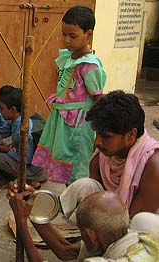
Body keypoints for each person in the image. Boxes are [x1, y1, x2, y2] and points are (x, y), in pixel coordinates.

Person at [58, 90, 159, 226]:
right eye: (97, 134)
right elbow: (96, 206)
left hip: (139, 233)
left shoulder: (153, 166)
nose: (97, 142)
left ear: (131, 135)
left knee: (140, 222)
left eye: (106, 136)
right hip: (108, 222)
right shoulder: (101, 159)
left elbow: (133, 226)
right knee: (85, 186)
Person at [31, 6, 106, 185]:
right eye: (64, 34)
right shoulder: (69, 58)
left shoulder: (89, 66)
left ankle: (78, 201)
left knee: (77, 165)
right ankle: (70, 198)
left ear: (88, 35)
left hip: (79, 127)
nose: (66, 40)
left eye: (72, 36)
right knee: (66, 165)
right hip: (64, 122)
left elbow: (99, 101)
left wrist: (99, 133)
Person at [9, 189, 159, 261]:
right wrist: (32, 210)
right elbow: (66, 251)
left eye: (81, 231)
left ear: (91, 235)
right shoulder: (142, 238)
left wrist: (21, 222)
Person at [0, 88, 45, 189]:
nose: (0, 111)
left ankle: (29, 180)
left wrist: (9, 150)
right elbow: (2, 131)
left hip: (37, 171)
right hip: (38, 168)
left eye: (2, 108)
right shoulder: (17, 120)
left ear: (13, 109)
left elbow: (27, 158)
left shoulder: (22, 130)